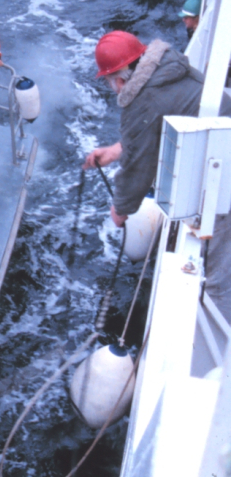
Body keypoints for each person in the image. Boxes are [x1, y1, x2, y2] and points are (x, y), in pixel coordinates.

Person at [83, 30, 231, 319]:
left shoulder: (142, 100)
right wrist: (116, 150)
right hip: (223, 144)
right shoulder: (168, 67)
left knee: (217, 276)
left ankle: (219, 330)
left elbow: (139, 167)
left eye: (111, 82)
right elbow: (158, 122)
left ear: (121, 80)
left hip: (224, 176)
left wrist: (121, 209)